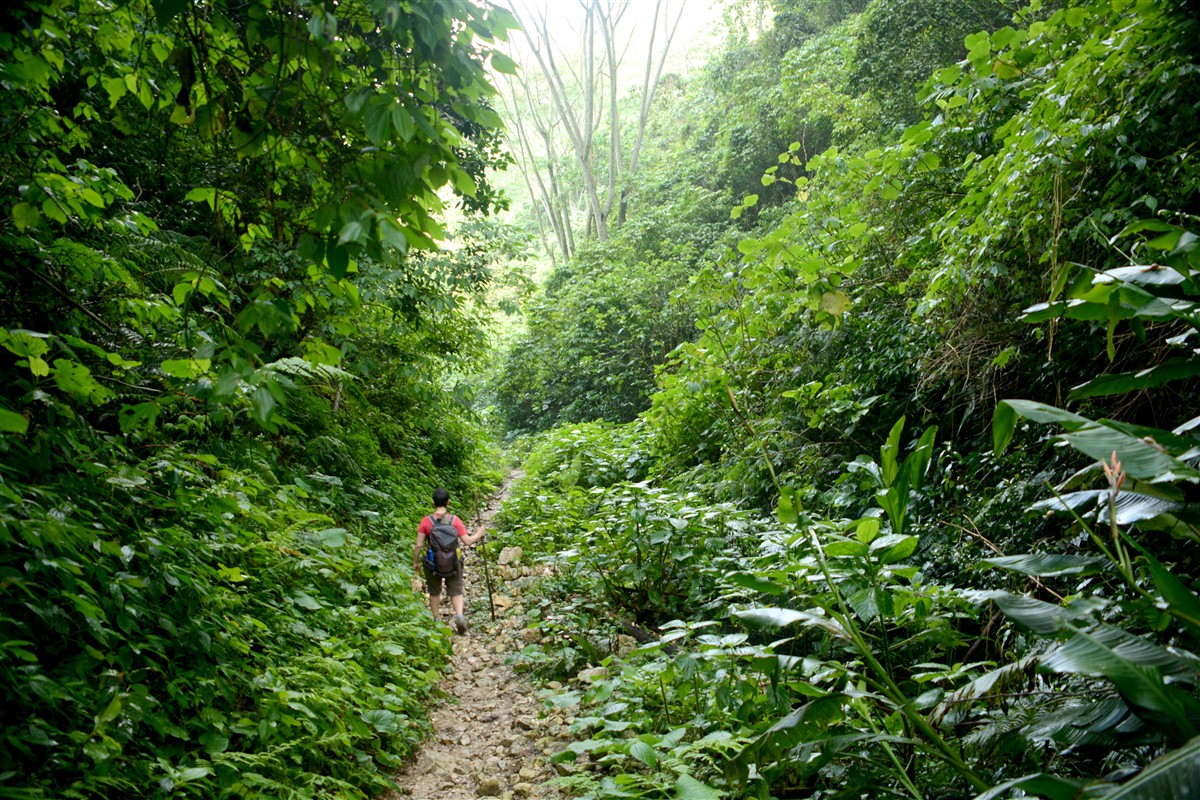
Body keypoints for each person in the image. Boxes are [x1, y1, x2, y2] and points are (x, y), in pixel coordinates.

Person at [413, 487, 486, 633]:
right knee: (456, 591)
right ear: (448, 501)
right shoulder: (455, 520)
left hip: (432, 563)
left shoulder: (426, 522)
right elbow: (467, 541)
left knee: (434, 592)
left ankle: (437, 620)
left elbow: (419, 545)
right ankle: (459, 616)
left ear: (433, 502)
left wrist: (415, 562)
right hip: (453, 562)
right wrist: (479, 534)